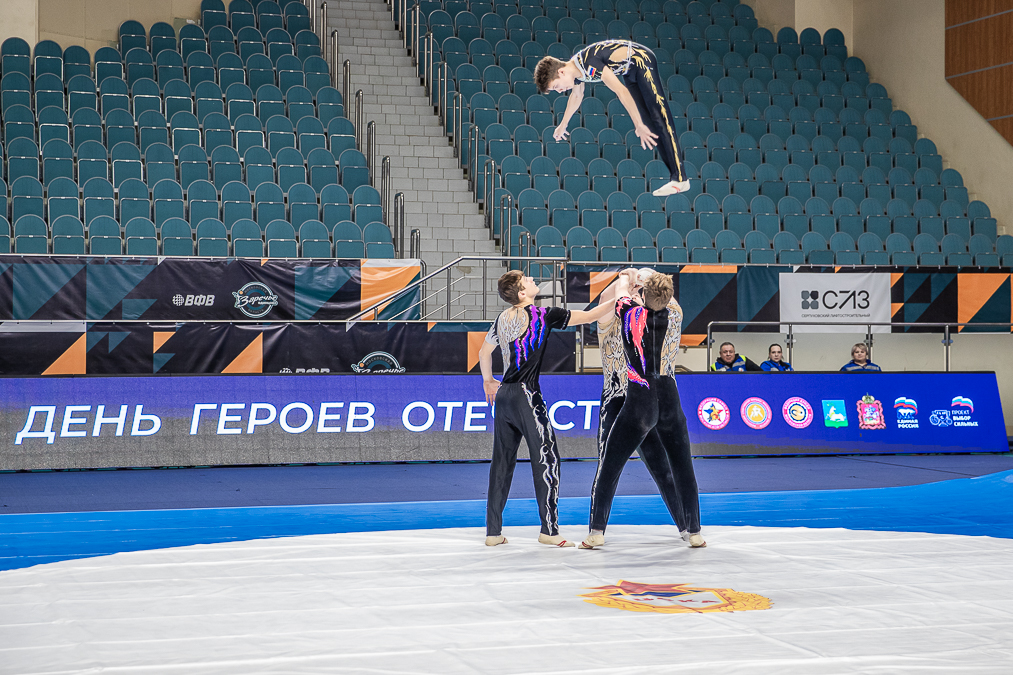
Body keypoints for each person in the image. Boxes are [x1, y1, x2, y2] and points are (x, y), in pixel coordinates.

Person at [479, 270, 614, 548]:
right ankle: (549, 531)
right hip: (527, 395)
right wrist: (621, 300)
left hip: (504, 394)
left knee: (501, 464)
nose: (531, 279)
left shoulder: (501, 319)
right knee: (547, 460)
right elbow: (589, 317)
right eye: (526, 280)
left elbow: (483, 353)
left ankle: (493, 532)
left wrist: (488, 381)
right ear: (521, 293)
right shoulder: (544, 315)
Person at [582, 270, 704, 550]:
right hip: (653, 396)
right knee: (682, 466)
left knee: (617, 468)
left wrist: (626, 278)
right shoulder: (674, 313)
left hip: (637, 399)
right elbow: (612, 298)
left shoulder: (630, 314)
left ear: (645, 296)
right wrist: (643, 278)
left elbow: (622, 297)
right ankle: (693, 529)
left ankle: (597, 531)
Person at [534, 40, 690, 197]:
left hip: (642, 60)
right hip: (629, 71)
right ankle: (675, 178)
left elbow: (621, 92)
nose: (560, 91)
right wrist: (563, 124)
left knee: (659, 115)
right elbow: (576, 95)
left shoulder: (589, 63)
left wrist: (637, 125)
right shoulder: (575, 74)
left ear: (561, 72)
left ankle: (681, 178)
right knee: (650, 126)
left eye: (556, 86)